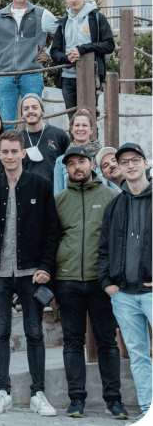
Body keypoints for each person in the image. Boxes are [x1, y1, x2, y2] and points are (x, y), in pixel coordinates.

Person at [0, 130, 59, 417]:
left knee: (34, 332)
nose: (11, 156)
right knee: (0, 331)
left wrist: (46, 267)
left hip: (31, 273)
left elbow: (52, 231)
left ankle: (38, 392)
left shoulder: (41, 185)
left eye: (16, 151)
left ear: (23, 153)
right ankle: (3, 391)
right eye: (5, 151)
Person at [54, 147, 126, 419]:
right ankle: (76, 400)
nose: (76, 167)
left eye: (81, 161)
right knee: (72, 342)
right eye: (71, 164)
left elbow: (118, 241)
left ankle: (114, 400)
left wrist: (116, 279)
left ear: (91, 163)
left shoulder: (111, 196)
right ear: (67, 169)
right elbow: (51, 241)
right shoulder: (59, 200)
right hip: (67, 281)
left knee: (107, 341)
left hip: (102, 282)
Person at [98, 142, 153, 421]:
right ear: (117, 169)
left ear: (146, 163)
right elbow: (104, 248)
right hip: (124, 295)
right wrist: (108, 283)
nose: (129, 165)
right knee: (138, 356)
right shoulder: (114, 206)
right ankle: (146, 408)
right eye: (124, 162)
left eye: (135, 160)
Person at [0, 0, 59, 129]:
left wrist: (49, 52)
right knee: (7, 122)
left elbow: (62, 31)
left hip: (32, 73)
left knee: (34, 119)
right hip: (5, 75)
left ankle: (34, 151)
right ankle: (10, 151)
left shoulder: (41, 13)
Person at [50, 0, 115, 113]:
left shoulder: (98, 18)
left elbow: (109, 45)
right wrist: (67, 58)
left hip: (90, 76)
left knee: (89, 120)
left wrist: (82, 49)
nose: (74, 0)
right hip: (67, 79)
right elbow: (54, 52)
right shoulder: (63, 23)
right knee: (73, 122)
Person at [53, 110, 114, 195]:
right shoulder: (61, 161)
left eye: (85, 125)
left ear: (91, 130)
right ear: (71, 129)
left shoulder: (102, 157)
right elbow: (57, 194)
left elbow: (115, 189)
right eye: (77, 125)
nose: (80, 129)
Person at [19, 94, 70, 183]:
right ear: (22, 114)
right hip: (27, 192)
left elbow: (69, 163)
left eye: (34, 107)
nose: (30, 111)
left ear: (42, 111)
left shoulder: (59, 135)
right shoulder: (17, 139)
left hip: (54, 193)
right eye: (26, 109)